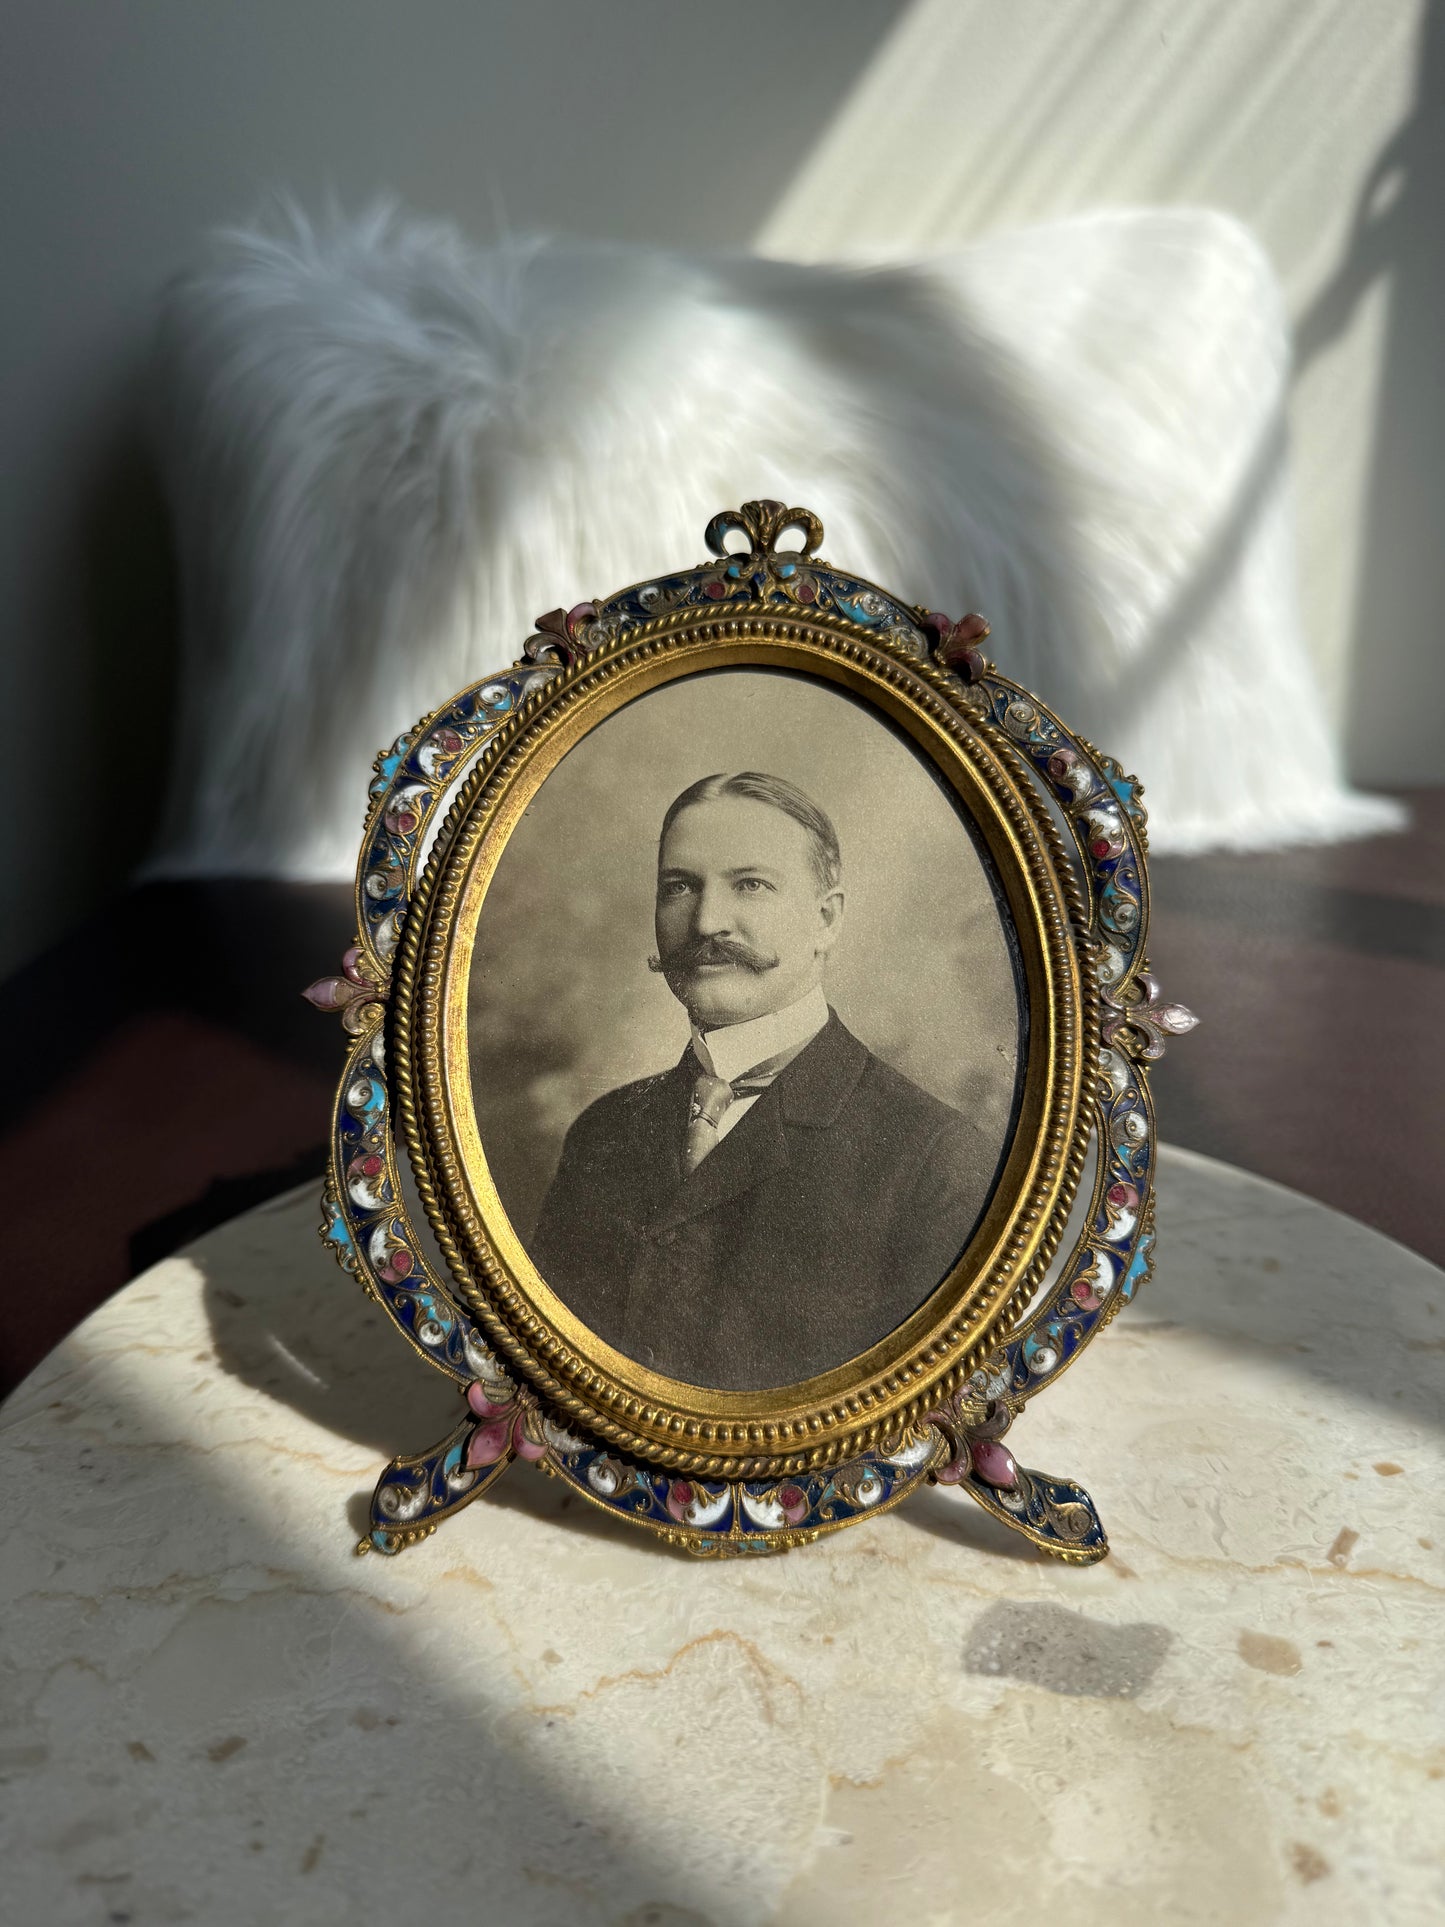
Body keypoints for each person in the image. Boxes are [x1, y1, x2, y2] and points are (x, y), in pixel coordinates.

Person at [528, 771, 995, 1390]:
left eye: (750, 885)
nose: (706, 922)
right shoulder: (603, 1132)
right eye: (679, 887)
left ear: (826, 919)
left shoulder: (939, 1161)